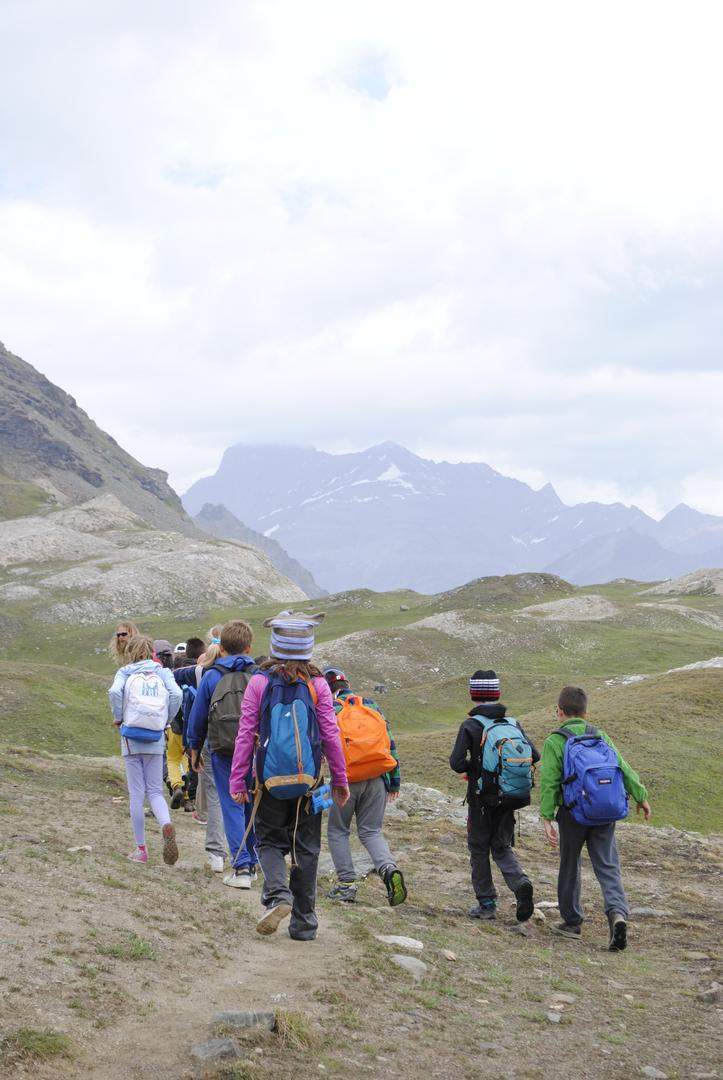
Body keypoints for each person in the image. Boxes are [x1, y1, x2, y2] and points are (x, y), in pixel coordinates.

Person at [229, 611, 349, 940]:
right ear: (308, 649)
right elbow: (330, 735)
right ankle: (304, 923)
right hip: (310, 783)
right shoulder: (319, 685)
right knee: (306, 848)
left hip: (268, 782)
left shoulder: (259, 682)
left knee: (268, 840)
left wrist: (238, 780)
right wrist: (340, 780)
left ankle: (278, 895)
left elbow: (245, 734)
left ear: (276, 647)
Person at [540, 686, 651, 951]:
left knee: (570, 866)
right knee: (608, 866)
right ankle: (617, 914)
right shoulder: (599, 736)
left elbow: (549, 782)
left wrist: (546, 816)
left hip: (572, 814)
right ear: (586, 712)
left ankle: (572, 923)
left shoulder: (555, 741)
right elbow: (622, 767)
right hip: (604, 813)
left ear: (559, 711)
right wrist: (641, 796)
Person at [449, 669, 538, 923]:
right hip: (509, 796)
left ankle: (487, 903)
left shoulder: (471, 725)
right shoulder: (512, 724)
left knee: (478, 847)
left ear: (473, 694)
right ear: (497, 693)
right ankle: (519, 882)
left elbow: (456, 763)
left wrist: (473, 769)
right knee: (501, 845)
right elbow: (536, 756)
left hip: (481, 799)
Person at [323, 666, 406, 906]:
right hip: (377, 778)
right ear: (347, 684)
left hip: (346, 780)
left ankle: (346, 885)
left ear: (328, 690)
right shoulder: (370, 705)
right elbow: (390, 743)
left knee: (338, 831)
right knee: (371, 831)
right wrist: (394, 781)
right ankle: (388, 868)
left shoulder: (331, 708)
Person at [186, 620, 260, 888]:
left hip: (222, 749)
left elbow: (198, 718)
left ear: (222, 648)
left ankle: (241, 868)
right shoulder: (259, 676)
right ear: (249, 647)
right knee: (252, 805)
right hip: (254, 751)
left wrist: (194, 749)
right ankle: (252, 863)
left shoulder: (211, 675)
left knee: (231, 805)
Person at [108, 633, 182, 865]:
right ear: (152, 652)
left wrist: (119, 717)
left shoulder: (126, 672)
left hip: (131, 737)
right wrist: (166, 720)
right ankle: (165, 824)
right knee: (156, 791)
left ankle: (141, 850)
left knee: (137, 793)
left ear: (130, 652)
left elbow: (114, 692)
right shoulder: (163, 672)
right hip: (155, 736)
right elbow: (177, 694)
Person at [155, 638, 188, 810]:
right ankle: (188, 796)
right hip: (185, 724)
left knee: (170, 758)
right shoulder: (184, 674)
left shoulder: (157, 675)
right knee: (185, 757)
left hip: (169, 724)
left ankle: (174, 785)